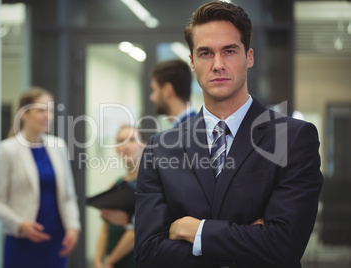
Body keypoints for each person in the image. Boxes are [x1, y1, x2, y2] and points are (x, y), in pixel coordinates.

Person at [134, 2, 323, 268]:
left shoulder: (291, 138)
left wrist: (196, 232)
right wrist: (249, 241)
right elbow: (147, 254)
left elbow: (284, 246)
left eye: (229, 51)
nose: (218, 64)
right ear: (192, 62)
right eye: (205, 53)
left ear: (249, 57)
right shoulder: (160, 149)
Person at [0, 87, 80, 268]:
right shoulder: (8, 150)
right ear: (24, 114)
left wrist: (73, 226)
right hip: (22, 241)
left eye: (51, 110)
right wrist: (21, 225)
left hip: (57, 239)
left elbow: (68, 195)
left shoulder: (58, 146)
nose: (48, 116)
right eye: (41, 110)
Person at [94, 126, 145, 268]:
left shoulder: (148, 184)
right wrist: (98, 261)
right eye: (121, 141)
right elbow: (105, 229)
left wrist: (110, 261)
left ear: (144, 146)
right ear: (117, 149)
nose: (126, 145)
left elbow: (137, 230)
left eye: (132, 140)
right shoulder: (116, 185)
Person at [150, 59, 196, 127]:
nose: (152, 97)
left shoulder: (184, 132)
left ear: (167, 90)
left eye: (154, 90)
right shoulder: (193, 125)